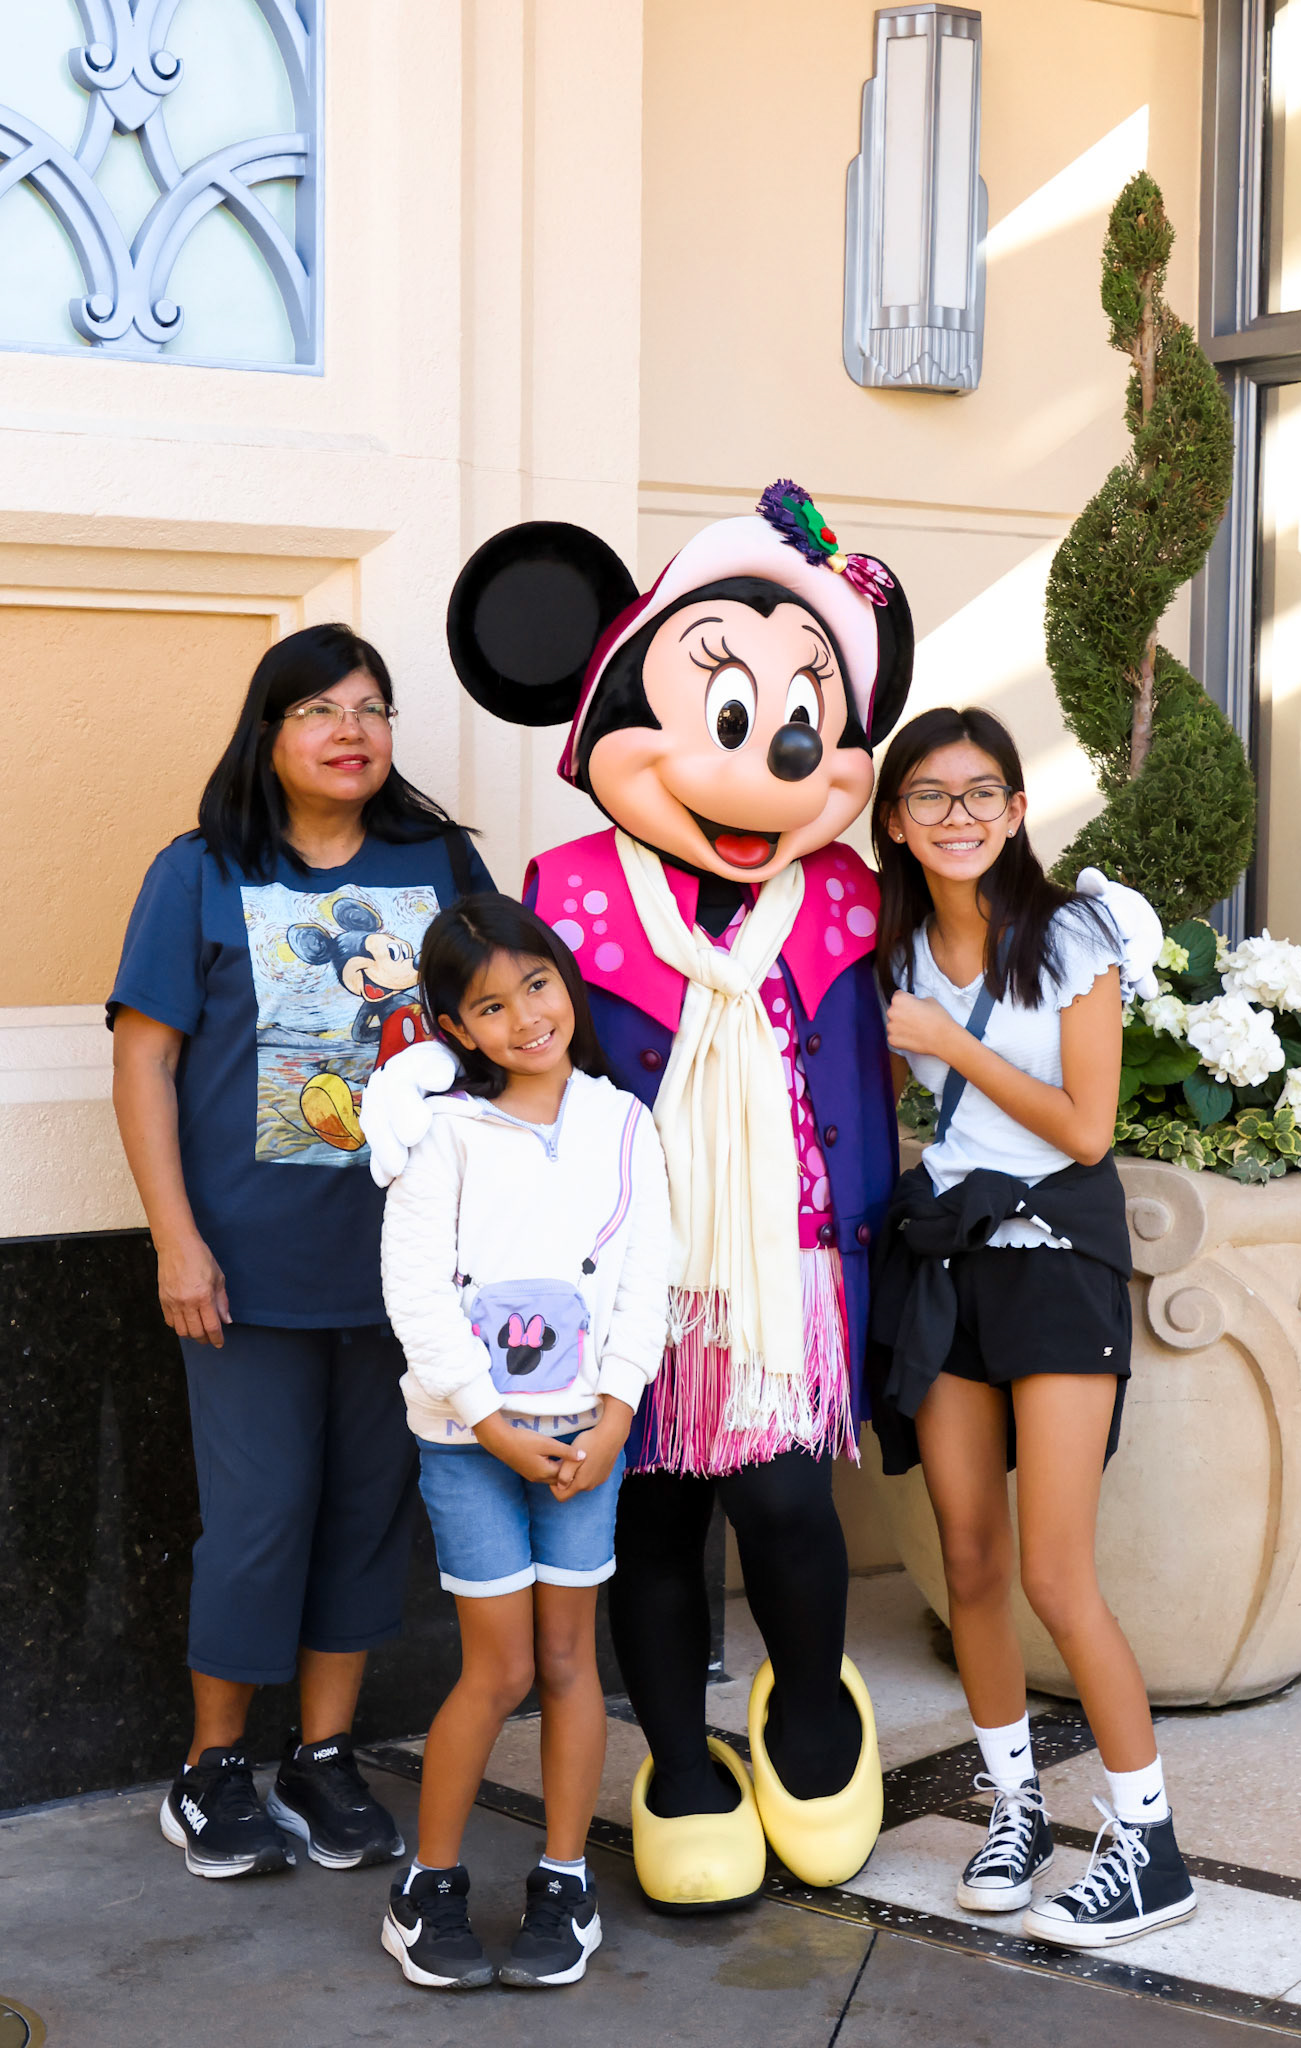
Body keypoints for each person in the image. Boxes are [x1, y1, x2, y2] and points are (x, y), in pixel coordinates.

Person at [365, 483, 911, 1908]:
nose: (773, 753)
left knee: (788, 1503)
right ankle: (677, 1757)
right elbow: (494, 1038)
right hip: (610, 1279)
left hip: (790, 1266)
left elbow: (902, 1040)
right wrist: (415, 1095)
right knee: (655, 1521)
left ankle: (808, 1706)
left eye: (807, 717)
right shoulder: (568, 892)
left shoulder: (847, 897)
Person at [108, 621, 493, 1880]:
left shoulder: (440, 861)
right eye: (320, 708)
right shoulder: (201, 869)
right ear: (269, 732)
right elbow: (145, 1060)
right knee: (260, 1517)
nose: (350, 730)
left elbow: (504, 1025)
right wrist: (176, 1240)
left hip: (407, 1269)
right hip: (246, 1273)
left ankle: (324, 1755)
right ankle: (211, 1766)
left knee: (365, 1515)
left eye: (371, 708)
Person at [867, 705, 1195, 1949]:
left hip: (1056, 1254)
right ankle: (1016, 1809)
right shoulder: (895, 947)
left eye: (981, 792)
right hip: (950, 1261)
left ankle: (1149, 1844)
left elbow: (1086, 1127)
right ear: (896, 819)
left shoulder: (1068, 933)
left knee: (1056, 1568)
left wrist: (950, 1040)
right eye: (930, 795)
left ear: (1015, 809)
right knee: (970, 1560)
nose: (957, 815)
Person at [376, 894, 669, 1989]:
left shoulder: (623, 1122)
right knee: (498, 1668)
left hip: (589, 1439)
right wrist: (490, 1422)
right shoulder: (444, 1133)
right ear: (457, 1027)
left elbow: (648, 1277)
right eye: (491, 1006)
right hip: (471, 1444)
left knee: (567, 1660)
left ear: (564, 979)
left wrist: (618, 1410)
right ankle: (427, 1886)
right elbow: (415, 1294)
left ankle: (564, 1879)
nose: (526, 1016)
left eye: (536, 985)